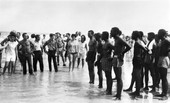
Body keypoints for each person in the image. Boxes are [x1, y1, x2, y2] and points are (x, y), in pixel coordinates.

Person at [110, 27, 131, 100]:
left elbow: (128, 47)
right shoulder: (116, 39)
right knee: (117, 76)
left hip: (118, 59)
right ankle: (118, 94)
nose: (110, 32)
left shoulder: (119, 39)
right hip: (116, 58)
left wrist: (122, 53)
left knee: (119, 78)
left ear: (115, 32)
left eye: (112, 31)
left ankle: (119, 96)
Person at [126, 31, 147, 98]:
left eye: (133, 35)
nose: (131, 36)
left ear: (136, 36)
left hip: (138, 61)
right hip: (137, 60)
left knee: (137, 76)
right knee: (135, 75)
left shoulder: (138, 42)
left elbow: (144, 49)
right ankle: (135, 91)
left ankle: (137, 92)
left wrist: (141, 57)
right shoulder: (138, 42)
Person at [154, 29, 170, 100]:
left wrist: (167, 51)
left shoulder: (166, 40)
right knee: (162, 77)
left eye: (159, 33)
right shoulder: (162, 41)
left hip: (164, 58)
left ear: (162, 34)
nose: (158, 34)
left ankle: (165, 95)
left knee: (164, 77)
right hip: (161, 58)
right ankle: (163, 93)